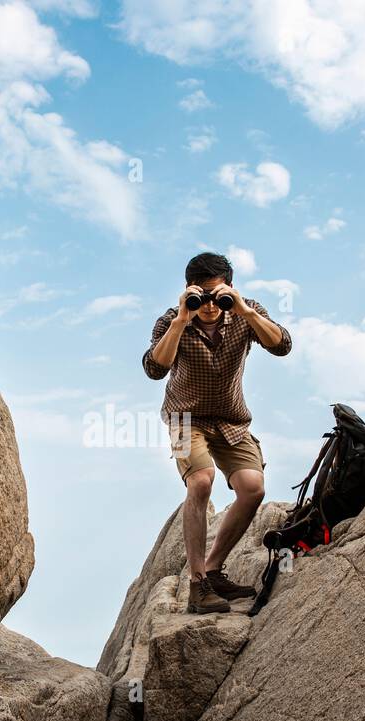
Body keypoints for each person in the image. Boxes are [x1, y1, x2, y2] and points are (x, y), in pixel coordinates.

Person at [142, 251, 293, 613]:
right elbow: (153, 369)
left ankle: (213, 570)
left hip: (231, 420)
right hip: (183, 420)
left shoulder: (245, 311)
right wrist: (181, 319)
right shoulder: (171, 320)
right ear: (189, 290)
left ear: (230, 288)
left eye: (217, 295)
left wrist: (245, 311)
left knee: (252, 488)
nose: (209, 305)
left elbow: (282, 345)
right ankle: (197, 586)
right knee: (201, 482)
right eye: (202, 295)